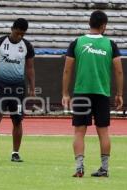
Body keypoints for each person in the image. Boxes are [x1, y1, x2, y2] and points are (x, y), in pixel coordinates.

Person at [62, 10, 124, 177]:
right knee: (103, 131)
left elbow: (67, 70)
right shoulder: (110, 45)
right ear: (104, 25)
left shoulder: (77, 42)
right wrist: (119, 93)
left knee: (79, 131)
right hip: (102, 94)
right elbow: (119, 71)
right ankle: (104, 168)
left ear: (90, 23)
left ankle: (79, 167)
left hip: (82, 93)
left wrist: (65, 93)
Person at [0, 18, 35, 162]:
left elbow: (30, 68)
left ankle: (15, 153)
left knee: (17, 120)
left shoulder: (27, 46)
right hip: (1, 86)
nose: (19, 36)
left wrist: (32, 87)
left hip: (18, 88)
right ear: (12, 29)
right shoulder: (0, 42)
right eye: (18, 33)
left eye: (22, 35)